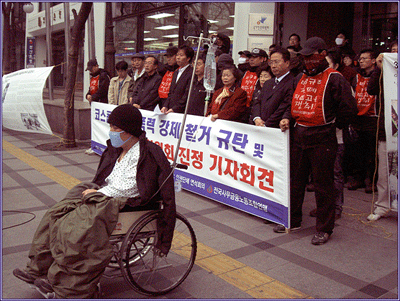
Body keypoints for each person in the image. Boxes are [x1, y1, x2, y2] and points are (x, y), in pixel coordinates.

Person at [12, 104, 176, 298]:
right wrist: (94, 190)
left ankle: (70, 288)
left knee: (72, 228)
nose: (111, 132)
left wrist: (98, 194)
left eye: (116, 128)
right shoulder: (117, 149)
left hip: (124, 201)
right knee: (55, 214)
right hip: (104, 192)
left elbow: (135, 187)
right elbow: (104, 177)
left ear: (130, 131)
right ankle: (37, 269)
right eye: (111, 127)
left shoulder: (148, 152)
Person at [275, 37, 357, 245]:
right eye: (305, 57)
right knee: (295, 181)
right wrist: (287, 117)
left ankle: (324, 228)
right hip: (299, 135)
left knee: (323, 185)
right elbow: (290, 102)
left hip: (322, 137)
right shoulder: (299, 78)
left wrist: (333, 125)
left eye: (312, 57)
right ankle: (293, 220)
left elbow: (349, 109)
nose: (308, 61)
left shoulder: (335, 78)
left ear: (322, 55)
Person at [309, 48, 354, 221]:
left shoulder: (340, 82)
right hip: (318, 138)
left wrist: (336, 125)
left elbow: (349, 109)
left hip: (335, 137)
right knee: (320, 176)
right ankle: (323, 207)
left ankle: (336, 208)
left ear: (335, 65)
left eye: (326, 64)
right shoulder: (314, 81)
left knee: (335, 173)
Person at [366, 40, 398, 221]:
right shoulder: (385, 73)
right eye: (392, 51)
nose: (394, 54)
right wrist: (379, 68)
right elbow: (371, 90)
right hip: (388, 129)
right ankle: (382, 206)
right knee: (385, 170)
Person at [347, 49, 378, 193]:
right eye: (361, 58)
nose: (362, 61)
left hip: (372, 118)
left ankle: (370, 180)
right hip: (358, 117)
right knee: (357, 151)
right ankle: (358, 178)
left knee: (371, 152)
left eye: (365, 58)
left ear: (373, 61)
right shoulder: (357, 76)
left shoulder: (378, 75)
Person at [252, 46, 294, 128]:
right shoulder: (268, 83)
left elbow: (284, 108)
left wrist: (266, 124)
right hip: (260, 126)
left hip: (276, 128)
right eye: (271, 62)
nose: (273, 66)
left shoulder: (292, 82)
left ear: (287, 63)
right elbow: (258, 102)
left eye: (276, 62)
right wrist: (257, 118)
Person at [85, 58, 111, 155]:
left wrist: (93, 97)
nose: (90, 71)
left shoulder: (104, 76)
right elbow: (91, 89)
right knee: (95, 126)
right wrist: (87, 95)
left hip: (101, 104)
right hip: (94, 104)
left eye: (91, 68)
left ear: (96, 66)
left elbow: (103, 90)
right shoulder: (93, 77)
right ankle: (95, 145)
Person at [161, 45, 194, 114]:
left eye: (181, 55)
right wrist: (165, 106)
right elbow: (171, 92)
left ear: (188, 58)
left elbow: (187, 94)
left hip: (182, 111)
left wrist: (175, 109)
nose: (178, 58)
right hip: (170, 109)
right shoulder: (176, 72)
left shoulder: (191, 73)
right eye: (177, 55)